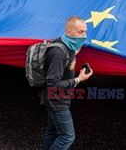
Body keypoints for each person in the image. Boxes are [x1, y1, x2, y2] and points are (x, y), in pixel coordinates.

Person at [40, 16, 93, 150]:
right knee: (67, 137)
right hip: (57, 101)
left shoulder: (68, 45)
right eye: (80, 32)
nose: (84, 36)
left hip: (57, 99)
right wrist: (78, 79)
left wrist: (75, 53)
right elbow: (53, 84)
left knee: (52, 132)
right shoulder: (59, 52)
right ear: (68, 32)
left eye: (85, 31)